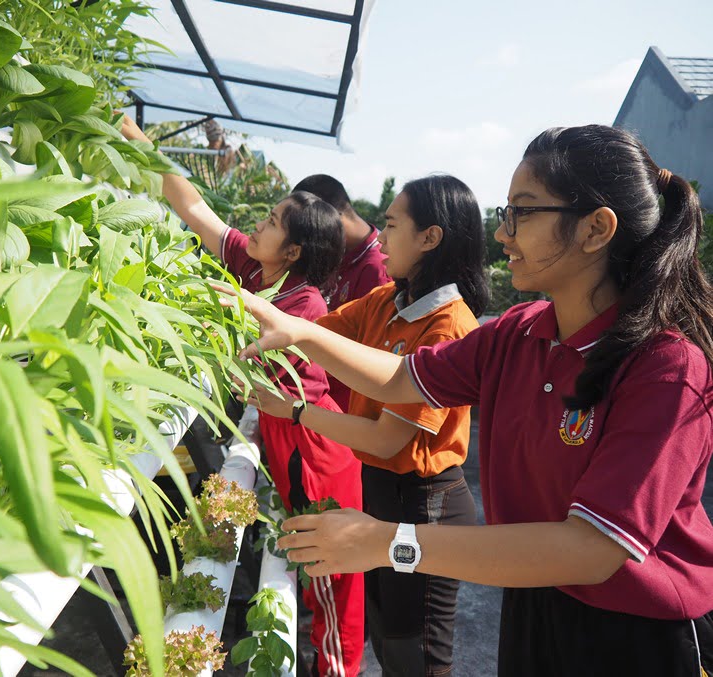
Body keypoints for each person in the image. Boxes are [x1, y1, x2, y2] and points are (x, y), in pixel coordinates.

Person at [226, 125, 713, 676]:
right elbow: (403, 380)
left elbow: (593, 549)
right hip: (536, 596)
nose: (502, 234)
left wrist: (390, 542)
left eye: (521, 212)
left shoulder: (666, 367)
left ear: (596, 229)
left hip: (634, 632)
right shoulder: (521, 330)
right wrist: (301, 332)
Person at [118, 115, 365, 677]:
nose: (258, 224)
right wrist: (135, 140)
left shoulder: (304, 308)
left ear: (295, 251)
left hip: (314, 454)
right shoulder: (255, 265)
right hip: (287, 439)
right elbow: (193, 208)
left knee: (330, 595)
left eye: (273, 221)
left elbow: (249, 375)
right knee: (307, 581)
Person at [243, 175, 489, 676]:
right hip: (381, 490)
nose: (379, 236)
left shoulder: (449, 325)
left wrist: (292, 410)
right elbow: (310, 334)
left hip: (425, 503)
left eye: (393, 224)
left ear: (430, 238)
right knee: (387, 641)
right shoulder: (385, 303)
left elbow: (387, 437)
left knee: (414, 654)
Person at [293, 174, 390, 411]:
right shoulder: (339, 252)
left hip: (344, 409)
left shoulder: (378, 269)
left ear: (334, 217)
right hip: (318, 396)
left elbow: (369, 360)